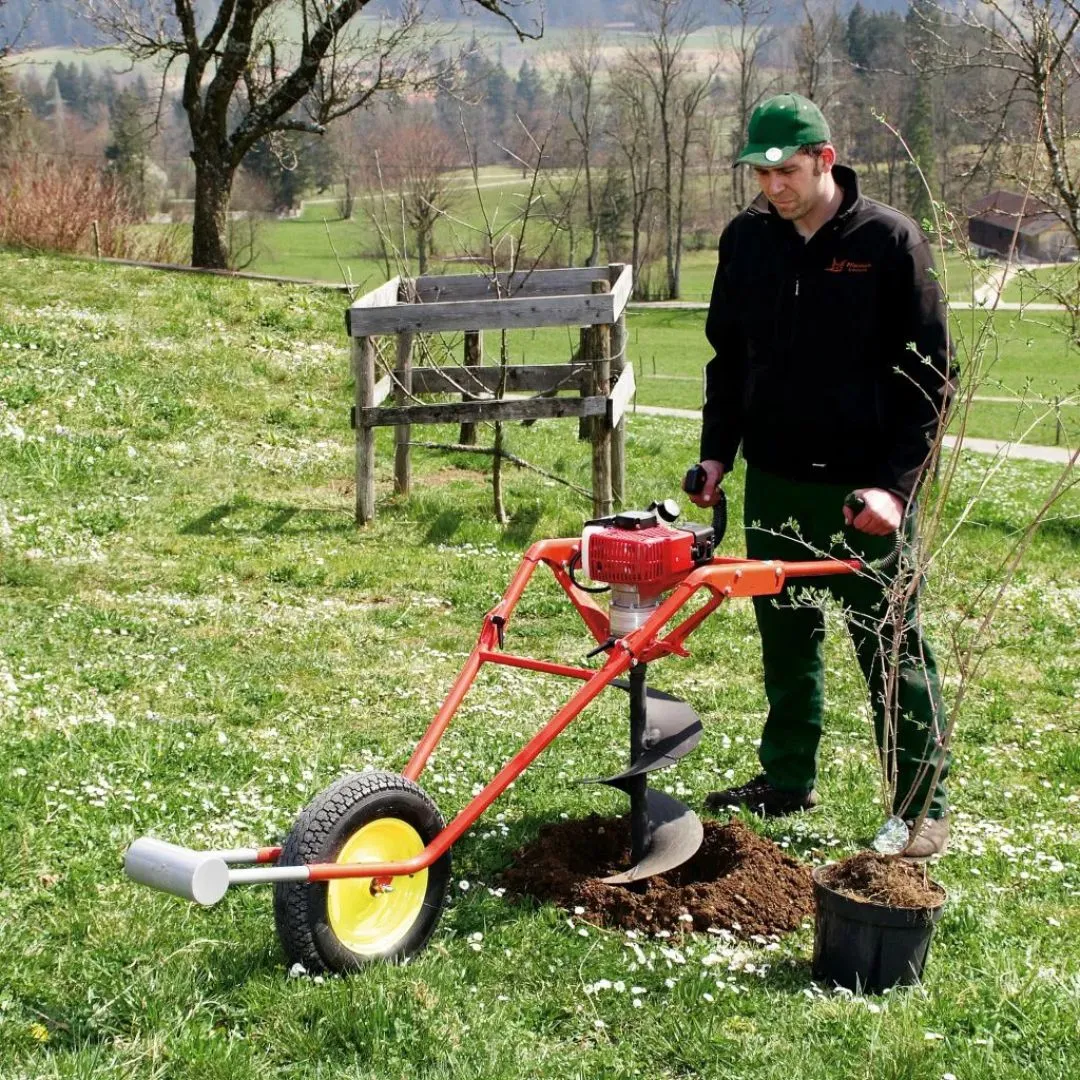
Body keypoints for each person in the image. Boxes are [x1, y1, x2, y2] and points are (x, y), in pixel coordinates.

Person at [689, 93, 955, 859]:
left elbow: (931, 376)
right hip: (775, 481)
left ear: (825, 160)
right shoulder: (745, 241)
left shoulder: (889, 242)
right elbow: (728, 360)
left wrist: (896, 490)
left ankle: (921, 806)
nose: (774, 187)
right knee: (787, 641)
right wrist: (717, 455)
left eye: (789, 171)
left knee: (891, 646)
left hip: (861, 492)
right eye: (761, 173)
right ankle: (787, 778)